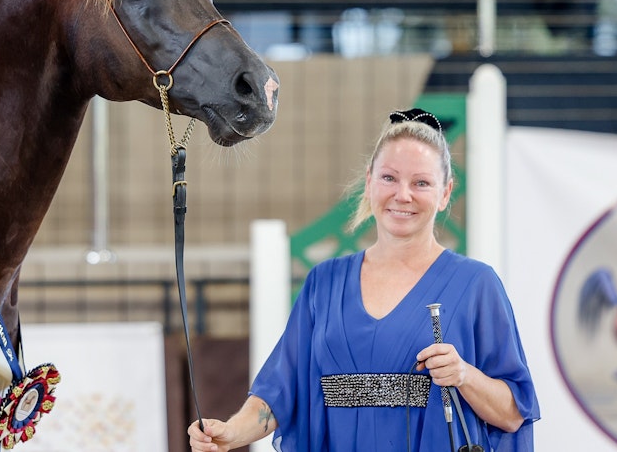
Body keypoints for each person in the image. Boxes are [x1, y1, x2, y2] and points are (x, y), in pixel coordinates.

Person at [189, 108, 540, 452]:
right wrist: (231, 434)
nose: (403, 195)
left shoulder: (477, 285)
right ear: (370, 181)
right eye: (390, 178)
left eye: (421, 182)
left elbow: (513, 414)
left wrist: (464, 375)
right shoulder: (323, 283)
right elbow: (279, 390)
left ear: (446, 192)